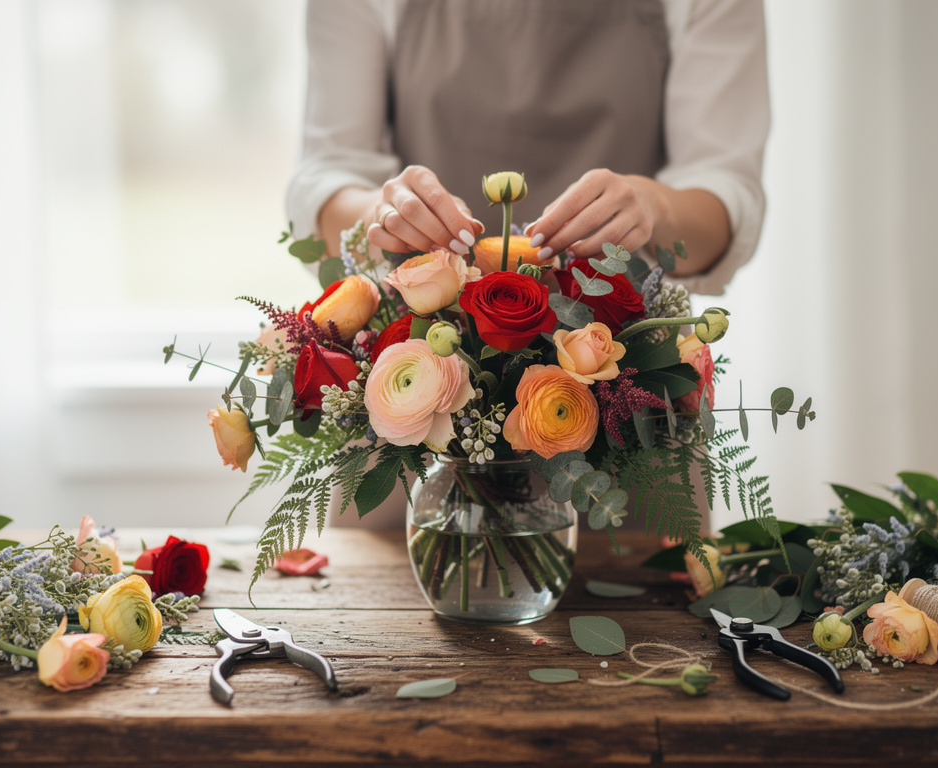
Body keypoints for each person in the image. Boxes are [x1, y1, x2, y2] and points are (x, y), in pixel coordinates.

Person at [285, 0, 770, 525]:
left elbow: (726, 191)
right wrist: (387, 212)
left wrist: (655, 205)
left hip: (629, 424)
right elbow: (329, 172)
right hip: (419, 423)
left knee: (646, 601)